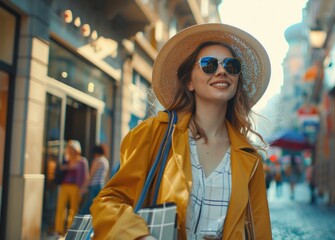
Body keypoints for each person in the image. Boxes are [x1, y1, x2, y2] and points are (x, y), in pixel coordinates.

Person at [91, 23, 272, 239]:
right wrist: (138, 236)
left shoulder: (249, 159)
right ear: (189, 82)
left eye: (231, 65)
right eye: (209, 65)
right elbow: (110, 200)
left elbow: (260, 231)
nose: (222, 71)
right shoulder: (155, 133)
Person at [55, 140, 89, 236]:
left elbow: (86, 177)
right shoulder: (66, 160)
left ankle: (70, 230)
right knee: (60, 208)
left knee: (73, 209)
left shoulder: (82, 161)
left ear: (77, 150)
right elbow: (60, 169)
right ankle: (59, 230)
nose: (71, 151)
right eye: (70, 149)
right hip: (65, 186)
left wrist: (83, 188)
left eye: (73, 149)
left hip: (76, 187)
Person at [79, 144, 110, 214]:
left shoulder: (97, 160)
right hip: (100, 185)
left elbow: (91, 175)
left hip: (93, 185)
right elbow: (105, 177)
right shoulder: (106, 161)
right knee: (96, 205)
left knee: (89, 205)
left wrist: (84, 187)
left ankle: (80, 219)